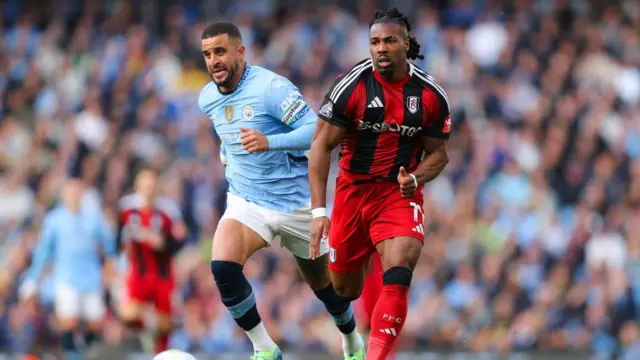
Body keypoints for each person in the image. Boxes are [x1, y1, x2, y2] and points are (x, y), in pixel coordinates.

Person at [198, 22, 365, 360]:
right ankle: (264, 347)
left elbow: (316, 133)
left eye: (220, 51)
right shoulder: (207, 98)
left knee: (326, 289)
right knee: (223, 268)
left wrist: (270, 143)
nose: (213, 60)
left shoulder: (271, 88)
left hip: (295, 203)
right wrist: (226, 155)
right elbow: (228, 136)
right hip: (247, 201)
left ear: (240, 52)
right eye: (207, 54)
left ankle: (350, 337)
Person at [309, 8, 451, 360]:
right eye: (374, 42)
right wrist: (318, 212)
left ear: (407, 43)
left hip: (397, 192)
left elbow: (439, 155)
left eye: (389, 41)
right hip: (352, 192)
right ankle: (354, 339)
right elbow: (321, 146)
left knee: (400, 269)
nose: (381, 48)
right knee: (345, 288)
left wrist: (416, 178)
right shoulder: (352, 86)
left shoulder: (430, 96)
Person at [19, 179, 116, 359]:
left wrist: (110, 267)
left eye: (77, 193)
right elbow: (43, 252)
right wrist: (33, 279)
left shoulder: (93, 218)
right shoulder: (55, 219)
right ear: (64, 196)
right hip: (66, 277)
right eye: (70, 193)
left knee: (95, 322)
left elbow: (109, 245)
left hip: (91, 277)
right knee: (68, 321)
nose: (74, 197)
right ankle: (71, 356)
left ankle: (88, 353)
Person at [115, 168, 186, 354]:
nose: (148, 189)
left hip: (163, 276)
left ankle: (159, 352)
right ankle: (138, 344)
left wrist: (163, 243)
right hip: (137, 274)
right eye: (145, 185)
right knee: (128, 316)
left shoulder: (168, 211)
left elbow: (179, 241)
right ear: (138, 187)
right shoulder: (126, 211)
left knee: (167, 324)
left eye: (152, 185)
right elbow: (115, 242)